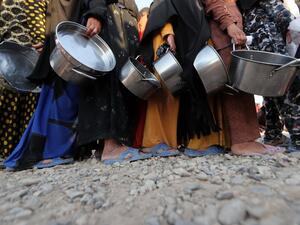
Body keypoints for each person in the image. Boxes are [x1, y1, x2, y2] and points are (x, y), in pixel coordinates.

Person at [4, 0, 102, 170]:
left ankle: (58, 151)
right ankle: (45, 150)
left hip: (75, 41)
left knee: (66, 99)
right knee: (50, 100)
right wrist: (46, 39)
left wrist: (95, 15)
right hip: (56, 42)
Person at [138, 0, 224, 157]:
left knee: (200, 82)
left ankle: (200, 142)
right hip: (169, 32)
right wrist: (167, 32)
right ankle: (157, 141)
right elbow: (161, 6)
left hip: (196, 34)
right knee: (168, 86)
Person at [203, 0, 285, 155]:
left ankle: (248, 139)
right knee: (235, 87)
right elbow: (213, 2)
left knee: (243, 85)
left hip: (232, 31)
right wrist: (229, 25)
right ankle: (241, 142)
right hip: (225, 34)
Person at [77, 0, 151, 165]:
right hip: (109, 16)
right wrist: (95, 14)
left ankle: (117, 143)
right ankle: (110, 146)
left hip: (125, 22)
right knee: (109, 81)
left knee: (125, 82)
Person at [0, 0, 48, 159]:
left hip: (8, 59)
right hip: (24, 61)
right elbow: (38, 31)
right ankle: (16, 153)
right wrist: (45, 42)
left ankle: (7, 152)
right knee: (21, 107)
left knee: (10, 110)